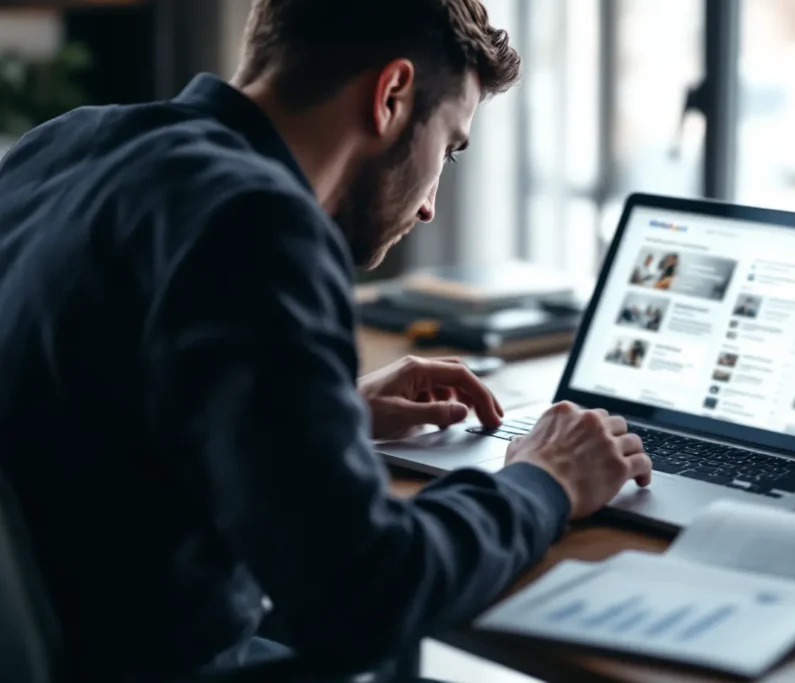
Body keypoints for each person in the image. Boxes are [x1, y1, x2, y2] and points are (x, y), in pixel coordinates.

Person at [0, 1, 653, 681]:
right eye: (450, 148)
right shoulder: (255, 220)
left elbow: (80, 400)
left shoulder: (65, 144)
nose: (430, 203)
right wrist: (545, 478)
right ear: (392, 94)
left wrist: (322, 407)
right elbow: (367, 595)